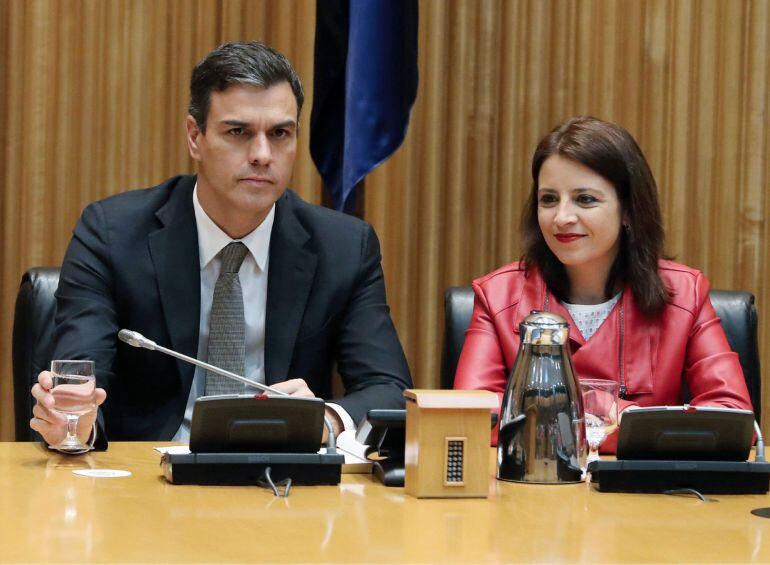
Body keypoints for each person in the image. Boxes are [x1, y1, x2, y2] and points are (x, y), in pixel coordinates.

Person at [30, 41, 412, 450]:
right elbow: (77, 383)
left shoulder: (344, 248)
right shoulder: (112, 235)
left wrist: (327, 420)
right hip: (147, 483)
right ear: (195, 137)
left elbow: (389, 391)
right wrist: (75, 419)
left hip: (286, 483)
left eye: (280, 133)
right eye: (238, 132)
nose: (263, 155)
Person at [454, 116, 752, 452]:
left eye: (585, 200)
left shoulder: (686, 293)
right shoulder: (497, 296)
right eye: (549, 199)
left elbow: (733, 420)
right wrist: (620, 416)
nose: (562, 217)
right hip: (533, 491)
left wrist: (560, 412)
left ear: (628, 210)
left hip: (645, 496)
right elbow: (468, 414)